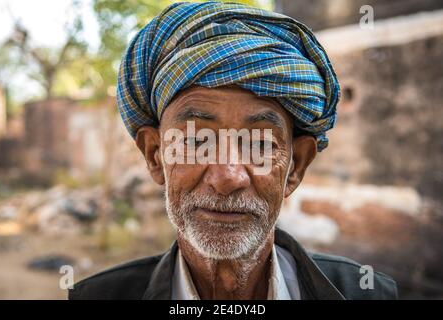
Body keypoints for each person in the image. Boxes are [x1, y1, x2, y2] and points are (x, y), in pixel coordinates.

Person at [69, 2, 397, 300]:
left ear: (295, 165)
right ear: (155, 155)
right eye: (196, 141)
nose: (227, 177)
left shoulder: (367, 294)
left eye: (260, 145)